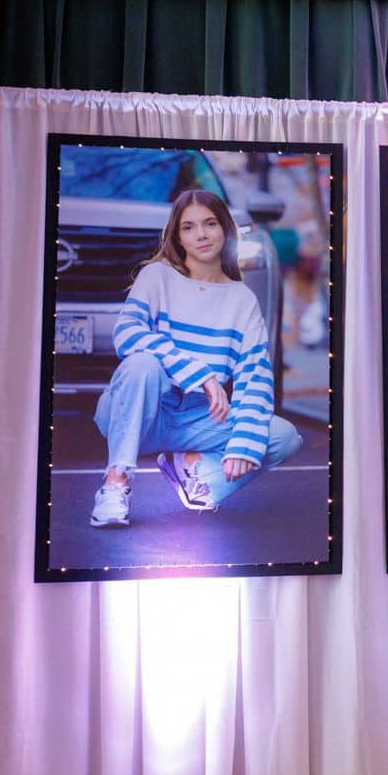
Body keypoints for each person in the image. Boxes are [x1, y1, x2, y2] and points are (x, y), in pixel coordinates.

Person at [89, 190, 302, 527]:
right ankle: (115, 484)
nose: (201, 235)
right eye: (188, 227)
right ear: (178, 237)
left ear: (226, 229)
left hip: (197, 423)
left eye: (210, 224)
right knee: (142, 364)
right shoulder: (157, 276)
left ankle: (193, 468)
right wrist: (201, 375)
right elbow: (127, 333)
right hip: (139, 413)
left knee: (282, 436)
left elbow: (255, 376)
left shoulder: (242, 299)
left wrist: (243, 444)